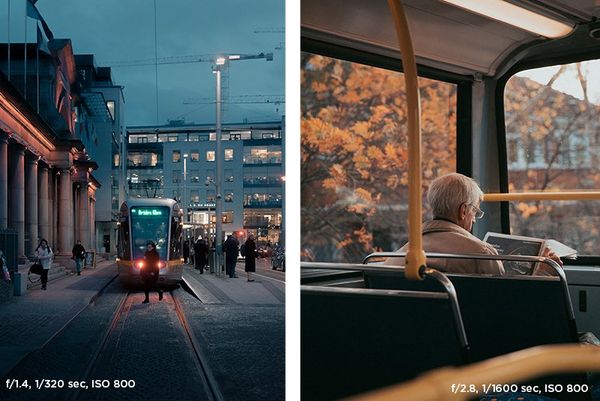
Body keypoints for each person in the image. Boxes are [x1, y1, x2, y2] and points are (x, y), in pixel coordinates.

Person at [384, 173, 562, 275]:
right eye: (475, 211)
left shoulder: (403, 254)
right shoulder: (482, 254)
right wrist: (544, 272)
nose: (475, 218)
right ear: (463, 211)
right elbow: (505, 306)